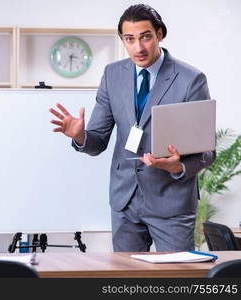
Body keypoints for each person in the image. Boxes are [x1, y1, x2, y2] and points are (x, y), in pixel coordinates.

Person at [49, 4, 216, 252]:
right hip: (124, 202)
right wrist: (81, 136)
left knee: (177, 283)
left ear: (159, 34)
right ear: (122, 40)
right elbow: (97, 141)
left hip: (171, 201)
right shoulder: (112, 74)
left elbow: (207, 152)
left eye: (146, 37)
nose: (138, 47)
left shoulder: (191, 79)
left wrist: (178, 166)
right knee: (126, 283)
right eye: (130, 39)